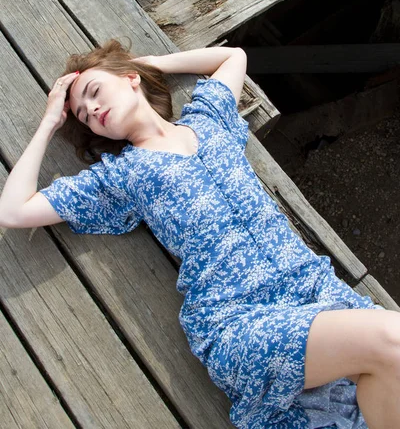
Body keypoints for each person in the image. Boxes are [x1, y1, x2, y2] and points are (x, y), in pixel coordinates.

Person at [0, 39, 399, 429]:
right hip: (240, 320)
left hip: (313, 291)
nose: (91, 109)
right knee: (391, 339)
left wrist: (149, 62)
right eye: (83, 115)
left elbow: (232, 56)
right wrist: (51, 121)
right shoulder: (121, 176)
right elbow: (13, 210)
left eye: (93, 91)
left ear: (129, 78)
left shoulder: (209, 119)